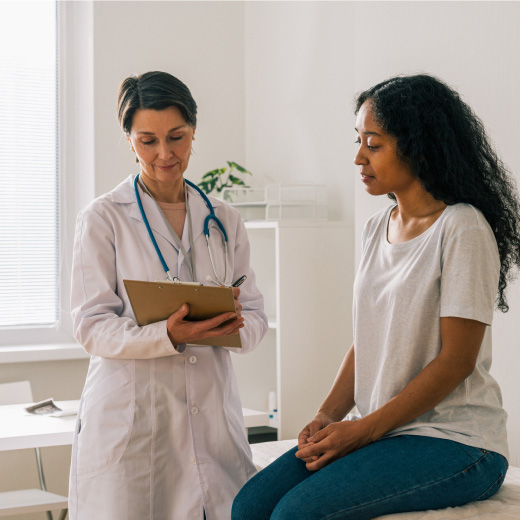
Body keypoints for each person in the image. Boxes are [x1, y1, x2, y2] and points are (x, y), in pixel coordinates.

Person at [232, 74, 520, 520]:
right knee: (249, 506)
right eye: (359, 141)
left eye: (374, 143)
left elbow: (457, 361)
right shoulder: (375, 228)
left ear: (418, 146)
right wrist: (329, 415)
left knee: (295, 515)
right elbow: (367, 340)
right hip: (389, 431)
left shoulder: (461, 227)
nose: (358, 157)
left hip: (459, 442)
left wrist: (362, 431)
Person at [69, 71, 268, 520]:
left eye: (177, 137)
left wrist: (234, 326)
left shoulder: (223, 219)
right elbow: (90, 324)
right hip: (133, 420)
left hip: (212, 420)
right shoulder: (103, 219)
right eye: (147, 141)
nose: (165, 154)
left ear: (194, 129)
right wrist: (167, 335)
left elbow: (255, 314)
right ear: (129, 140)